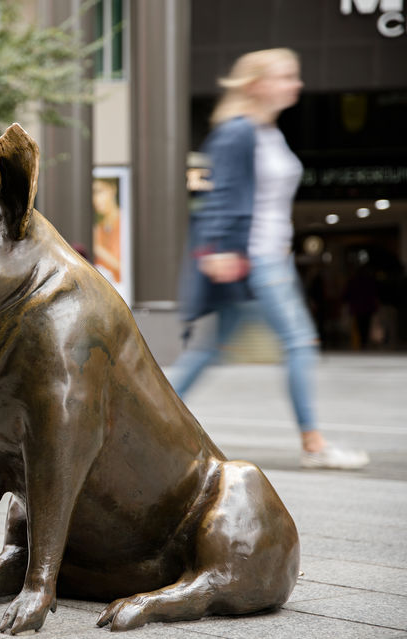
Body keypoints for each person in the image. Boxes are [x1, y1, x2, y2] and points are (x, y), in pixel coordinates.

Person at [170, 48, 368, 470]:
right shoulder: (237, 132)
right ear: (257, 84)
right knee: (300, 343)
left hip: (267, 257)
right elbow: (220, 193)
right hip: (254, 258)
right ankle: (314, 445)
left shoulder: (267, 132)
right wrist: (222, 247)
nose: (295, 84)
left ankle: (134, 416)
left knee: (210, 350)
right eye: (285, 76)